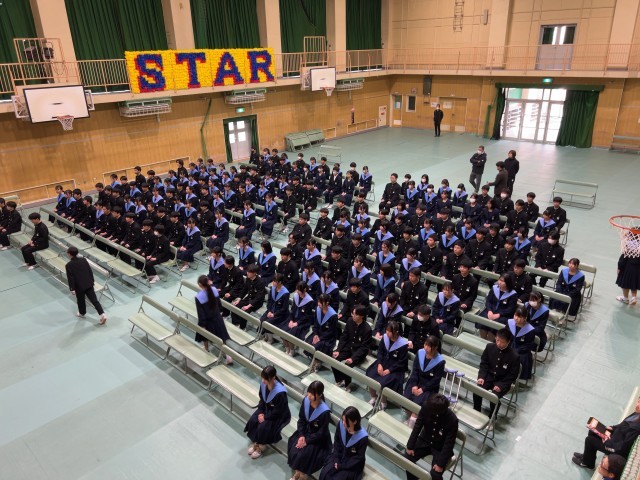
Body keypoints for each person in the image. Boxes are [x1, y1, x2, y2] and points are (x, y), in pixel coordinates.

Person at [572, 396, 640, 470]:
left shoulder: (636, 429)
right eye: (638, 401)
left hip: (615, 448)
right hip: (615, 438)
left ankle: (587, 464)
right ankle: (587, 456)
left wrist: (607, 442)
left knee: (589, 440)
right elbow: (623, 425)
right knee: (593, 430)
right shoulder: (637, 414)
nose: (637, 405)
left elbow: (621, 448)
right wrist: (612, 428)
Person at [405, 394, 458, 480]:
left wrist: (440, 464)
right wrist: (410, 446)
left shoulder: (452, 419)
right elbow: (417, 426)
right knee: (407, 458)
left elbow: (449, 443)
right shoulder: (426, 406)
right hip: (425, 440)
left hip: (440, 447)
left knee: (435, 474)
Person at [287, 381, 333, 480]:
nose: (309, 395)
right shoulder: (306, 401)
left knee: (305, 454)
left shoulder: (324, 412)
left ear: (319, 395)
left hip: (318, 438)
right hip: (305, 432)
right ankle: (297, 472)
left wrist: (307, 441)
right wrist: (301, 436)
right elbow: (301, 420)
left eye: (312, 393)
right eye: (308, 392)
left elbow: (322, 432)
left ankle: (302, 475)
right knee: (294, 446)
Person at [245, 366, 292, 459]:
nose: (263, 381)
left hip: (279, 414)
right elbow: (262, 399)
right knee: (253, 419)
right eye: (262, 378)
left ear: (273, 378)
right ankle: (256, 442)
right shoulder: (264, 384)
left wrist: (265, 417)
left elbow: (279, 410)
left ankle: (261, 446)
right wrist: (260, 412)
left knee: (263, 426)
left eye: (265, 379)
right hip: (266, 409)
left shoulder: (280, 392)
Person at [473, 328, 520, 418]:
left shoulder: (514, 356)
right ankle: (476, 411)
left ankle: (492, 417)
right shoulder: (489, 347)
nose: (498, 343)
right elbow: (484, 363)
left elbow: (512, 375)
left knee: (494, 397)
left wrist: (501, 385)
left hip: (502, 381)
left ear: (508, 342)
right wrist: (481, 377)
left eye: (502, 342)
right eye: (497, 340)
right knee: (477, 391)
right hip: (488, 377)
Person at [404, 336, 445, 428]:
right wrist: (414, 385)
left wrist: (422, 389)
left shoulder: (440, 361)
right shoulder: (420, 353)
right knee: (406, 398)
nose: (426, 347)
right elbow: (415, 370)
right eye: (425, 344)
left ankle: (412, 426)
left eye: (429, 346)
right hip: (416, 382)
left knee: (417, 404)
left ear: (435, 347)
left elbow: (436, 380)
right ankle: (410, 418)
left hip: (429, 388)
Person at [366, 321, 409, 409]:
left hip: (395, 368)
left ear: (396, 332)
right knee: (370, 374)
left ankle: (383, 401)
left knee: (384, 382)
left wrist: (389, 370)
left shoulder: (403, 344)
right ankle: (373, 397)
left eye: (390, 331)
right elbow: (380, 352)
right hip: (383, 362)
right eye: (387, 330)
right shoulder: (385, 337)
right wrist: (379, 364)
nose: (387, 333)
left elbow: (401, 362)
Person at [319, 406, 368, 480]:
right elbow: (337, 442)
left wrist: (342, 466)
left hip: (351, 465)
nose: (343, 423)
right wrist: (336, 459)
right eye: (343, 420)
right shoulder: (341, 425)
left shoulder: (362, 437)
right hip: (338, 456)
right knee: (325, 473)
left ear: (355, 421)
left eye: (346, 421)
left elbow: (358, 458)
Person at [332, 305, 373, 389]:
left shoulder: (367, 329)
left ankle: (348, 385)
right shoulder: (350, 321)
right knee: (334, 360)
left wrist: (353, 358)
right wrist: (338, 350)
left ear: (361, 316)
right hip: (348, 348)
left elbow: (364, 348)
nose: (353, 316)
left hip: (358, 353)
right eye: (353, 313)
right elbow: (344, 337)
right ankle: (340, 380)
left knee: (347, 366)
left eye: (355, 314)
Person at [64, 247, 107, 325]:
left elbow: (71, 278)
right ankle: (102, 314)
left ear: (69, 254)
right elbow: (89, 271)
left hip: (79, 286)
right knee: (94, 300)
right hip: (88, 283)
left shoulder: (69, 265)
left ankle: (82, 313)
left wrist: (72, 289)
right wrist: (92, 281)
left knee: (80, 300)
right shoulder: (83, 260)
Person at [194, 275, 232, 359]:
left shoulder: (198, 297)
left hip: (207, 320)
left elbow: (201, 313)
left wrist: (202, 325)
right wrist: (219, 313)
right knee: (221, 336)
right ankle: (226, 354)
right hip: (217, 317)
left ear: (200, 284)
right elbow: (219, 304)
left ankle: (206, 349)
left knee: (205, 336)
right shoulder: (214, 289)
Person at [477, 274, 518, 341]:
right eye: (499, 280)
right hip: (491, 310)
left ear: (508, 283)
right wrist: (489, 311)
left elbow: (510, 309)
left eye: (502, 281)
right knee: (483, 320)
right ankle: (482, 340)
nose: (500, 282)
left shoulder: (513, 294)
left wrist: (499, 314)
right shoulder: (494, 288)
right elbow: (488, 301)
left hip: (503, 315)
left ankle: (489, 342)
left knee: (495, 325)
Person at [231, 264, 266, 330]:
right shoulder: (248, 278)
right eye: (247, 271)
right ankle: (236, 323)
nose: (247, 273)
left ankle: (242, 327)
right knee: (235, 307)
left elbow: (259, 297)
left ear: (255, 273)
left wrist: (248, 306)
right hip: (249, 298)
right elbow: (245, 290)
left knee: (244, 312)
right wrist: (239, 299)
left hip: (256, 302)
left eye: (249, 272)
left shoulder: (260, 282)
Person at [507, 306, 536, 381]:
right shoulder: (510, 323)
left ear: (525, 318)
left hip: (521, 350)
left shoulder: (530, 330)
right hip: (509, 346)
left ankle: (514, 378)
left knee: (520, 357)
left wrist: (516, 350)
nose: (516, 318)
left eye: (519, 317)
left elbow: (528, 345)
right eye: (515, 315)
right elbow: (505, 336)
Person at [616, 234, 640, 305]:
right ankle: (634, 297)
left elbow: (624, 256)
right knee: (634, 282)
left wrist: (619, 267)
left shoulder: (630, 243)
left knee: (625, 284)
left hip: (629, 267)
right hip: (638, 267)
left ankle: (625, 298)